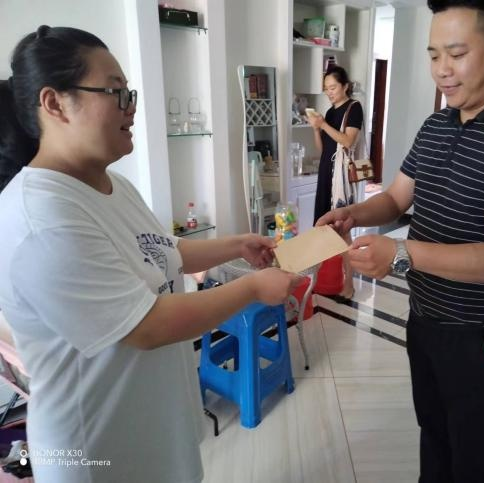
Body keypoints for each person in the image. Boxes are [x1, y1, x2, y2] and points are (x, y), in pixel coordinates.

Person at [0, 26, 300, 483]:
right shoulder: (41, 217)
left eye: (130, 93)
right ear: (54, 103)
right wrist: (253, 287)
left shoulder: (114, 185)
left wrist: (237, 245)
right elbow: (146, 326)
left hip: (152, 423)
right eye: (115, 92)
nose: (132, 107)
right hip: (96, 448)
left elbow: (164, 251)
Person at [318, 1, 484, 482]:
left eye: (456, 54)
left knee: (471, 455)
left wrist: (401, 254)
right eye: (434, 55)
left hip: (482, 332)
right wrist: (354, 214)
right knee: (433, 435)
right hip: (426, 317)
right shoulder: (436, 125)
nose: (441, 70)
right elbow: (396, 198)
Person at [307, 65, 363, 300]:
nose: (329, 92)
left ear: (345, 86)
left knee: (343, 231)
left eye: (333, 87)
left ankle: (349, 283)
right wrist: (316, 129)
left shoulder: (354, 108)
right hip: (325, 175)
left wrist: (323, 125)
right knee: (322, 229)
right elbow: (323, 149)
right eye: (326, 89)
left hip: (340, 180)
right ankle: (323, 281)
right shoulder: (329, 113)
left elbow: (347, 141)